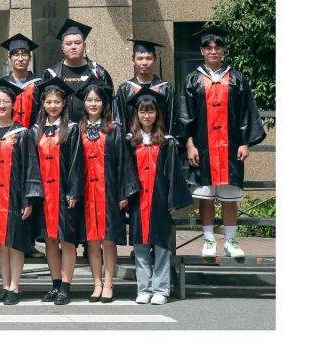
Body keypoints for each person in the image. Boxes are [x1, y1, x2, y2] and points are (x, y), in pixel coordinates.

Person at [177, 25, 266, 258]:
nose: (213, 51)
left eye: (217, 47)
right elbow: (185, 114)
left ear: (224, 50)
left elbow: (246, 111)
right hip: (203, 148)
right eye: (208, 47)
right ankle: (208, 240)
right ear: (202, 51)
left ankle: (230, 241)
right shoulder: (192, 79)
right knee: (205, 197)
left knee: (229, 197)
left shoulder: (237, 78)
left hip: (231, 148)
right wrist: (189, 144)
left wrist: (245, 142)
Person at [126, 87, 194, 305]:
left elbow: (174, 172)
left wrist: (173, 200)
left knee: (162, 246)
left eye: (151, 111)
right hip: (138, 200)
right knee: (140, 245)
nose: (146, 116)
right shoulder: (130, 141)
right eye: (142, 111)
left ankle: (161, 289)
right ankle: (144, 288)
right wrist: (125, 195)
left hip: (160, 198)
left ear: (157, 114)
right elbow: (125, 171)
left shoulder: (167, 141)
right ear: (136, 114)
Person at [0, 78, 43, 306]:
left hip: (15, 196)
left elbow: (30, 166)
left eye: (5, 101)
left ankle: (15, 286)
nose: (1, 105)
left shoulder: (23, 133)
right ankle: (4, 285)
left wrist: (28, 199)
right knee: (1, 243)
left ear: (13, 104)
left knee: (15, 242)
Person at [78, 82, 138, 303]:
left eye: (97, 100)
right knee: (92, 241)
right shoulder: (78, 129)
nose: (93, 104)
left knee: (108, 240)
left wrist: (123, 193)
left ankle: (109, 283)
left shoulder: (114, 129)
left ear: (104, 103)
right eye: (89, 100)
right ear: (84, 103)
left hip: (109, 192)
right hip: (87, 193)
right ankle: (97, 283)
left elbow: (123, 162)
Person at [30, 77, 83, 306]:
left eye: (57, 102)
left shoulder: (71, 129)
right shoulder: (36, 130)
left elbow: (76, 163)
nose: (52, 106)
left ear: (64, 103)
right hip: (44, 195)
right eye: (49, 102)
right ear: (43, 103)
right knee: (50, 241)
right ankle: (55, 283)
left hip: (63, 194)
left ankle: (66, 287)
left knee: (67, 241)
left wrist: (73, 192)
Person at [43, 19, 114, 123]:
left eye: (77, 43)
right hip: (62, 128)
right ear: (62, 47)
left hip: (92, 129)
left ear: (84, 46)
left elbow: (110, 104)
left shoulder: (99, 72)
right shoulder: (51, 74)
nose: (73, 47)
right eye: (68, 44)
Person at [113, 39, 178, 138]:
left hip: (160, 142)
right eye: (140, 58)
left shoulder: (166, 88)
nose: (144, 62)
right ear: (133, 60)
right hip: (132, 143)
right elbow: (120, 121)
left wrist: (169, 143)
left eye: (148, 58)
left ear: (155, 59)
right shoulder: (125, 89)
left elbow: (172, 120)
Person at [0, 33, 43, 129]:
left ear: (30, 58)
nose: (20, 59)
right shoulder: (3, 85)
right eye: (16, 55)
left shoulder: (39, 84)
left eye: (24, 54)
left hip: (34, 133)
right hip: (8, 134)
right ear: (10, 59)